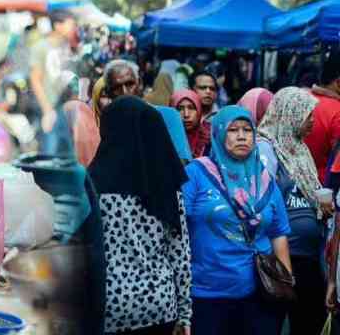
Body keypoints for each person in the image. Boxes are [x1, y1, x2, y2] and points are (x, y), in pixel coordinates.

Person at [182, 106, 291, 335]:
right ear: (219, 134)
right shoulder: (197, 173)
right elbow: (179, 228)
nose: (241, 136)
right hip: (208, 294)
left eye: (247, 130)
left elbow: (278, 232)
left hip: (260, 293)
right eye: (233, 130)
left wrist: (286, 282)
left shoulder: (265, 179)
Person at [89, 96, 191, 335]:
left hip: (108, 305)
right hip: (159, 305)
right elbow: (180, 252)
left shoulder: (92, 184)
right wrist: (185, 313)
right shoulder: (166, 183)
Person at [256, 87, 328, 335]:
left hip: (307, 255)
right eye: (307, 115)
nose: (312, 121)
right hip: (281, 257)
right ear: (290, 114)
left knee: (309, 322)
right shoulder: (266, 149)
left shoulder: (298, 148)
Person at [29, 9, 78, 155]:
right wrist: (47, 110)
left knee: (68, 154)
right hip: (49, 107)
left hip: (65, 109)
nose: (73, 28)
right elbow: (35, 80)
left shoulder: (68, 46)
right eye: (71, 25)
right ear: (58, 25)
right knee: (49, 153)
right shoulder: (40, 47)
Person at [305, 49, 340, 185]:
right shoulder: (337, 113)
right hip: (325, 193)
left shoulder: (300, 99)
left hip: (297, 190)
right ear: (338, 83)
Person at [171, 90, 211, 158]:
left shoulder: (210, 138)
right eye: (180, 109)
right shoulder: (166, 138)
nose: (186, 114)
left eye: (191, 108)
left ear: (199, 110)